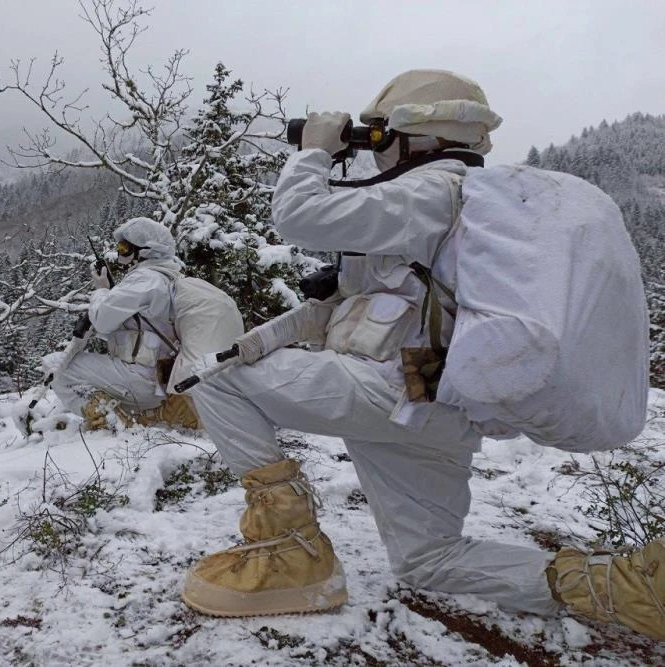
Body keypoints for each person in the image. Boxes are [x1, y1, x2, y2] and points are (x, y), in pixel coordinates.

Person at [180, 69, 664, 641]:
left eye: (380, 135)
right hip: (434, 404)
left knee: (211, 381)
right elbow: (359, 305)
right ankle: (626, 588)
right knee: (429, 560)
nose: (374, 149)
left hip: (386, 389)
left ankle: (289, 551)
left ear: (418, 136)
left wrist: (315, 151)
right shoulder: (460, 213)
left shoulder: (434, 189)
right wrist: (264, 339)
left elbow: (298, 216)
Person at [51, 216, 199, 430]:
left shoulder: (145, 279)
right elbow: (130, 332)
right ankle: (153, 414)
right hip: (162, 378)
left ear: (146, 250)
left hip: (141, 379)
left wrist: (101, 290)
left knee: (55, 365)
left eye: (124, 247)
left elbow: (102, 321)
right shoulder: (169, 278)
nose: (120, 252)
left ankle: (107, 418)